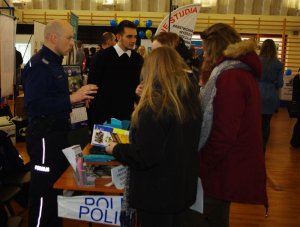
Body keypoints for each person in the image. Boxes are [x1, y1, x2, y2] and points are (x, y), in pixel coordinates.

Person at [106, 46, 202, 227]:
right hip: (182, 188)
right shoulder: (189, 100)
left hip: (157, 195)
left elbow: (144, 155)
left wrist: (116, 149)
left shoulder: (155, 106)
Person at [21, 20, 98, 227]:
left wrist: (77, 100)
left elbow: (53, 100)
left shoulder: (54, 64)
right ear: (53, 38)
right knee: (44, 193)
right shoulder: (39, 66)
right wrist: (71, 99)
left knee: (56, 190)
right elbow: (34, 106)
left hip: (59, 136)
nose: (72, 42)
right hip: (45, 139)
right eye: (69, 37)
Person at [196, 23, 268, 227]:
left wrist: (204, 164)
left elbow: (224, 132)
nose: (203, 52)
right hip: (224, 165)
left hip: (221, 167)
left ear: (215, 46)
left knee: (210, 217)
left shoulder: (231, 76)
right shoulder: (236, 71)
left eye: (205, 47)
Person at [88, 20, 143, 128]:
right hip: (104, 119)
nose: (133, 40)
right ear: (118, 37)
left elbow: (139, 86)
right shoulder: (101, 57)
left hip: (129, 118)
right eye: (129, 36)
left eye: (135, 37)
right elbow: (91, 88)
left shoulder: (138, 59)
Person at [259, 39, 284, 153]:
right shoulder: (278, 64)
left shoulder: (257, 61)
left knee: (255, 123)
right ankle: (263, 148)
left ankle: (254, 147)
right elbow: (280, 84)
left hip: (256, 94)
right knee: (266, 124)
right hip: (270, 95)